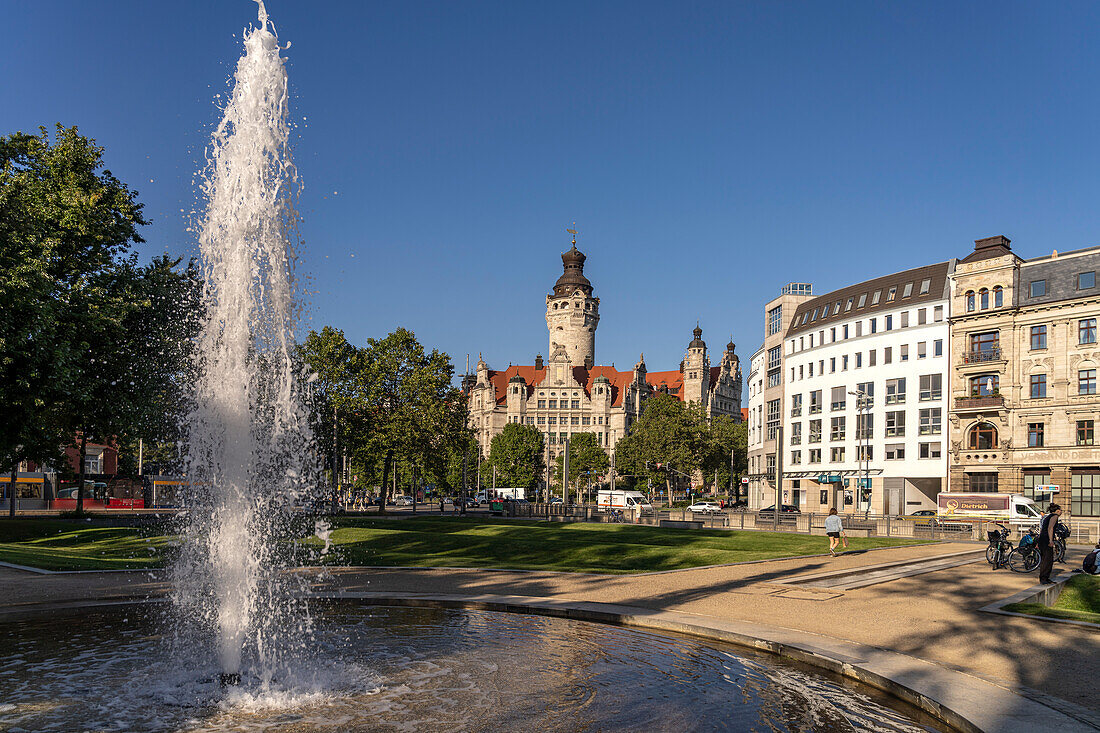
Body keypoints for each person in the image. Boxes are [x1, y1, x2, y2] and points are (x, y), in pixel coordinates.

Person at [1037, 502, 1063, 584]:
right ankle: (1044, 578)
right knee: (1048, 559)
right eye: (1061, 510)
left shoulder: (1047, 517)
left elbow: (1043, 529)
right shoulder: (1054, 517)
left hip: (1042, 538)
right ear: (1057, 511)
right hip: (1046, 539)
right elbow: (1050, 528)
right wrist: (1051, 540)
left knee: (1045, 558)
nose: (1061, 512)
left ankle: (1044, 577)